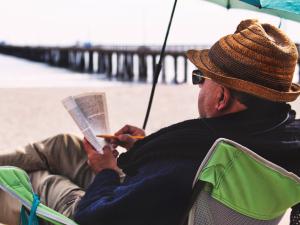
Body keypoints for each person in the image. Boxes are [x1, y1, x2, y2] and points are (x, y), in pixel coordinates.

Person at [1, 18, 300, 225]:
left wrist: (105, 171)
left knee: (38, 177)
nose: (198, 86)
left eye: (200, 79)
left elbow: (96, 217)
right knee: (63, 145)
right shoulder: (281, 145)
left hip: (100, 210)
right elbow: (179, 173)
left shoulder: (192, 159)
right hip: (152, 197)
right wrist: (148, 148)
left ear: (221, 97)